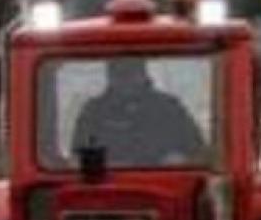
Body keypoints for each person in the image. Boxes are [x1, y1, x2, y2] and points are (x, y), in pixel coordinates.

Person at [72, 59, 207, 166]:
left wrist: (179, 162)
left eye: (131, 72)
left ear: (143, 73)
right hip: (108, 186)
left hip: (164, 182)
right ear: (110, 75)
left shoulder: (170, 108)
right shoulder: (93, 112)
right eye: (119, 73)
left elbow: (200, 153)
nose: (126, 80)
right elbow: (78, 160)